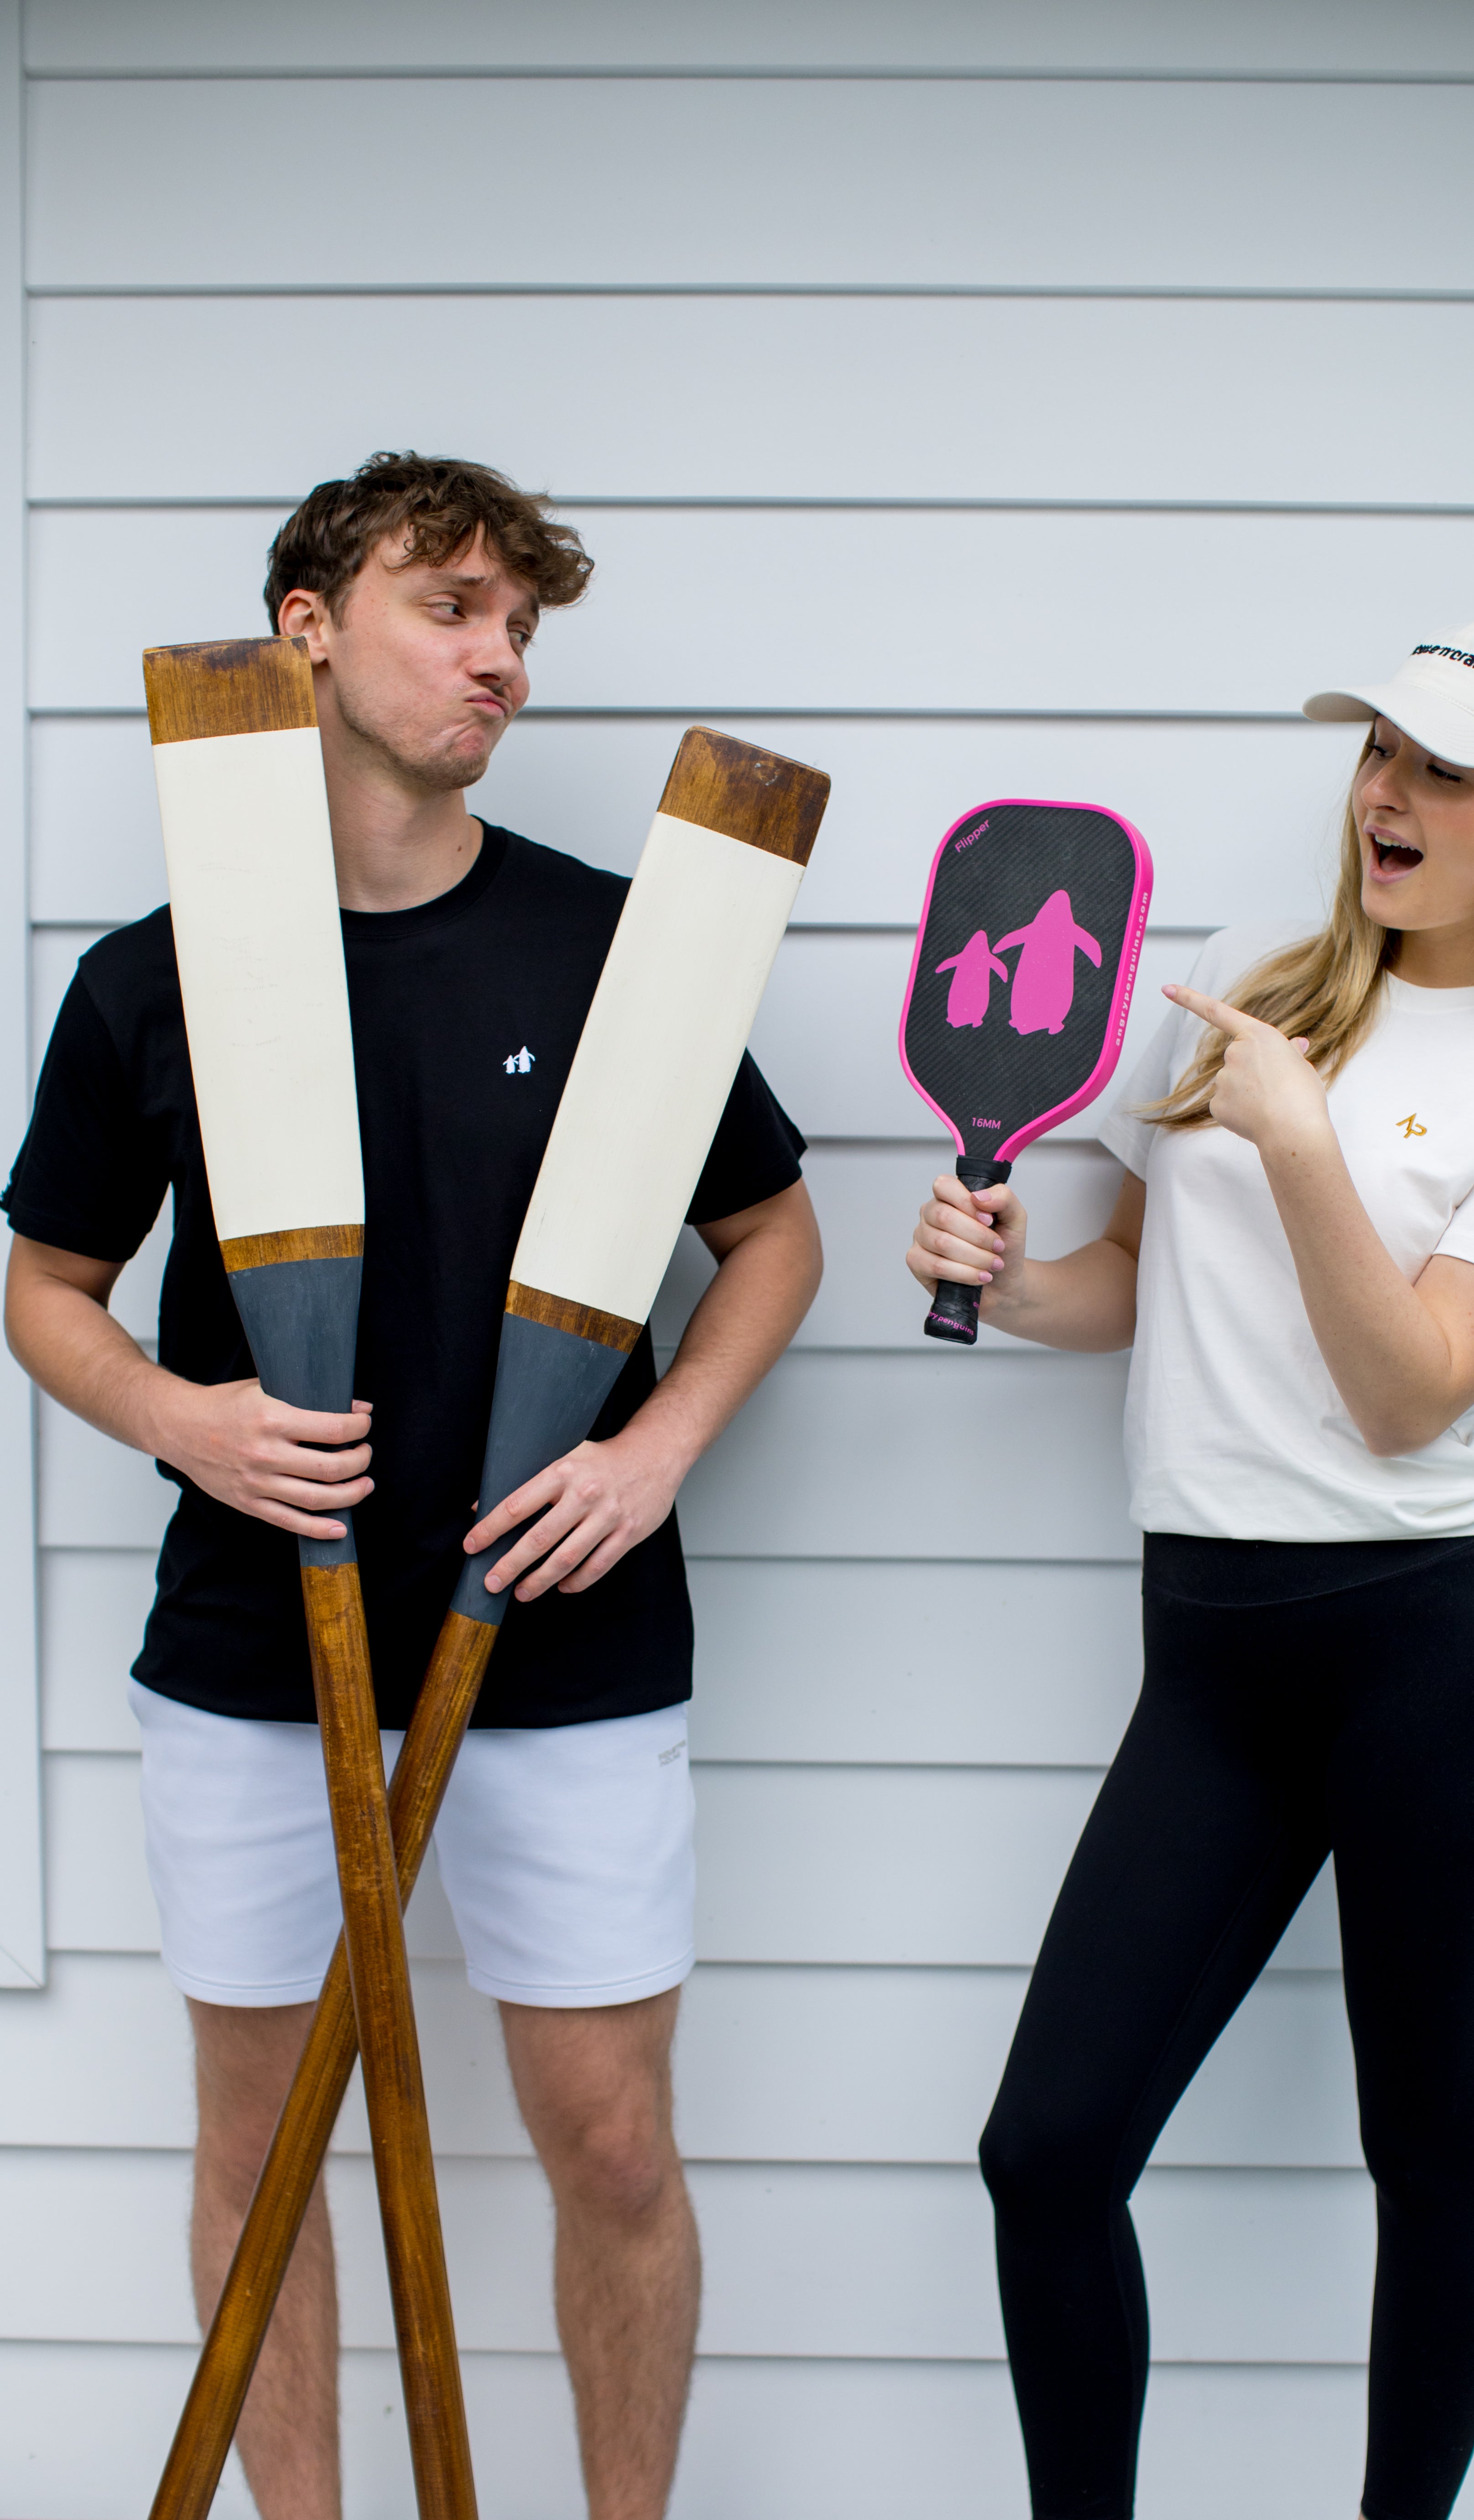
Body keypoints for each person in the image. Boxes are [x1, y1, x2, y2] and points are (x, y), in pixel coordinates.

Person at [5, 452, 823, 2520]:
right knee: (262, 2138)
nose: (501, 661)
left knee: (615, 2140)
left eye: (523, 626)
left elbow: (774, 1229)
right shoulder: (156, 975)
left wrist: (653, 1449)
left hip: (567, 1627)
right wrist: (179, 1418)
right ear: (308, 629)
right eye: (453, 607)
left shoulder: (615, 946)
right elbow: (48, 1284)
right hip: (250, 1633)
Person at [906, 619, 1474, 2520]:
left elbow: (1409, 1395)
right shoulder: (1252, 986)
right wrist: (1006, 1282)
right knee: (1049, 2146)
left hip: (1444, 1656)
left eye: (1449, 767)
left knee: (1427, 2141)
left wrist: (1308, 1138)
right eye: (1379, 750)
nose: (1389, 792)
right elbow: (1143, 1294)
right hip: (1216, 1657)